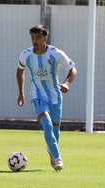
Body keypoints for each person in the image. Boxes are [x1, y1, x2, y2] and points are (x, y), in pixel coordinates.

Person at [16, 24, 77, 171]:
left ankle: (51, 150)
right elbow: (19, 72)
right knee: (47, 124)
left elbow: (72, 69)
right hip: (37, 95)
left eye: (38, 38)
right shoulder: (26, 55)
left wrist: (67, 83)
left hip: (55, 97)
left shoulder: (55, 53)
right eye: (32, 38)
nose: (34, 41)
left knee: (55, 130)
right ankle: (58, 159)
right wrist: (21, 92)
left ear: (45, 38)